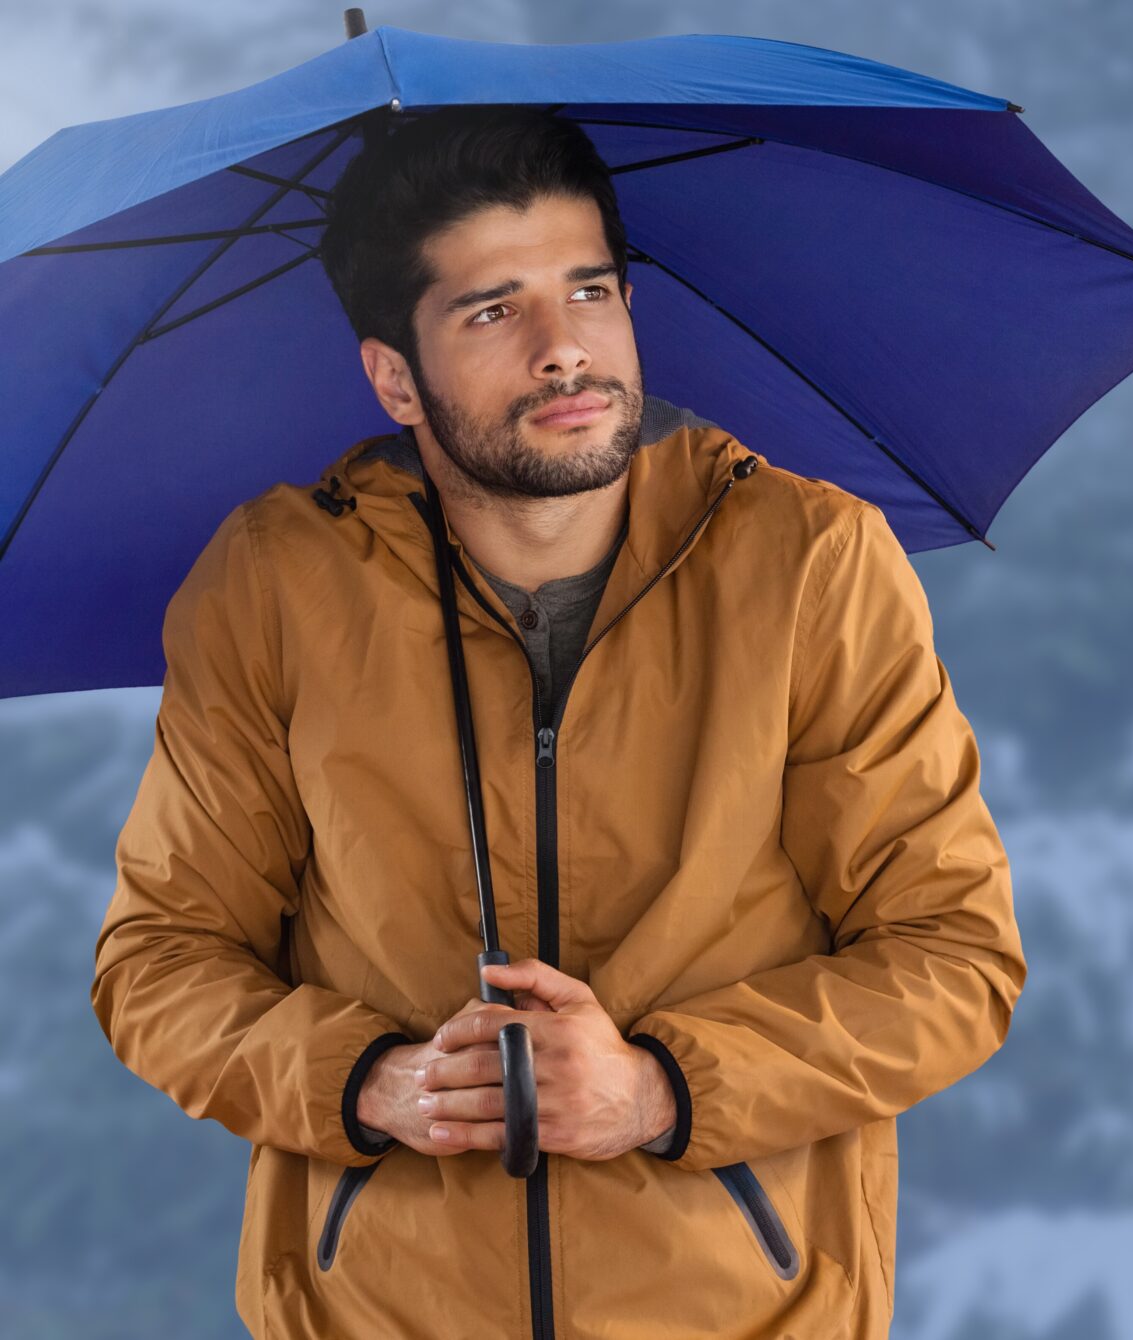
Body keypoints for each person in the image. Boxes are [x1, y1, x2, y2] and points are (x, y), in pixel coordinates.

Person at [88, 104, 1027, 1338]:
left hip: (747, 1313)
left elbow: (952, 956)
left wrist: (663, 1088)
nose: (563, 349)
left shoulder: (809, 564)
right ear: (391, 376)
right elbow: (159, 961)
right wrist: (367, 1081)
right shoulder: (274, 585)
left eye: (589, 290)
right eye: (492, 311)